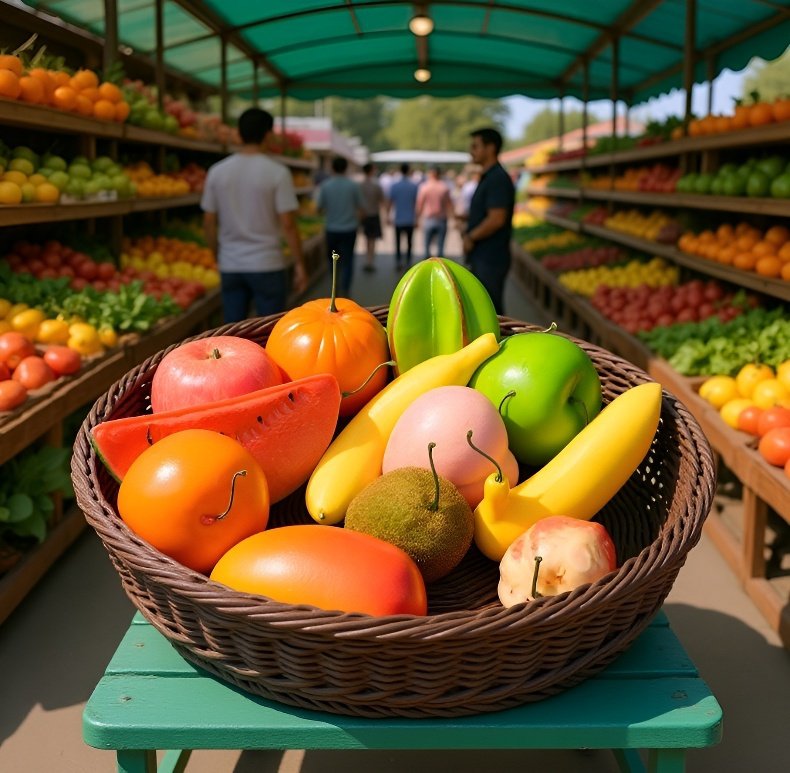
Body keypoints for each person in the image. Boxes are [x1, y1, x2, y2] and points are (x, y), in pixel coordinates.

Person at [201, 108, 306, 323]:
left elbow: (209, 222)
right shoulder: (277, 172)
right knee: (269, 333)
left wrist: (217, 255)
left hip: (230, 263)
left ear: (238, 133)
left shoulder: (217, 171)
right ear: (267, 135)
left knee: (234, 333)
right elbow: (288, 224)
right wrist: (299, 265)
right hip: (267, 263)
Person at [462, 128, 515, 316]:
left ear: (490, 148)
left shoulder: (497, 179)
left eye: (476, 146)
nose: (471, 151)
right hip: (484, 256)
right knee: (483, 307)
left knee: (490, 311)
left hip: (491, 257)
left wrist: (471, 236)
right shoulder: (489, 177)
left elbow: (496, 219)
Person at [317, 156, 363, 295]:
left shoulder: (325, 186)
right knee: (348, 260)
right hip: (349, 228)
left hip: (331, 229)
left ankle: (334, 287)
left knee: (332, 260)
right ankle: (345, 289)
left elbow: (319, 208)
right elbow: (360, 207)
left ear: (332, 168)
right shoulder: (353, 185)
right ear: (346, 168)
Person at [416, 166, 454, 259]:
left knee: (426, 247)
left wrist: (417, 218)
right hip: (441, 218)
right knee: (440, 247)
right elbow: (449, 204)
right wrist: (453, 219)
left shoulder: (424, 187)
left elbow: (420, 204)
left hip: (429, 218)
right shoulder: (444, 187)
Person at [387, 163, 418, 270]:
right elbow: (416, 204)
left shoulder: (395, 186)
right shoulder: (413, 186)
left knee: (398, 242)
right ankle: (408, 261)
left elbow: (390, 202)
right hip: (410, 218)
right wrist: (417, 218)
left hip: (398, 218)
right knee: (409, 242)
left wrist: (387, 215)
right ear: (409, 171)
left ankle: (398, 261)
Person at [358, 162, 384, 272]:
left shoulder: (359, 185)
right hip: (373, 214)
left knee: (366, 238)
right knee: (372, 239)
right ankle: (370, 261)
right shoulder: (376, 185)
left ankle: (367, 260)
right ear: (371, 171)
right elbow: (382, 199)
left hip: (363, 215)